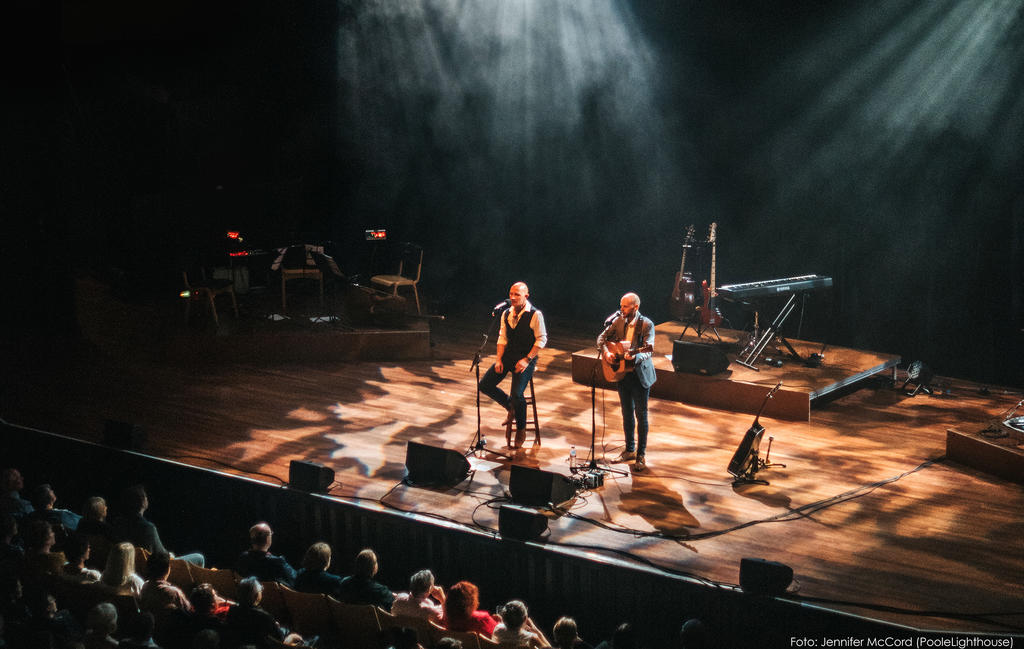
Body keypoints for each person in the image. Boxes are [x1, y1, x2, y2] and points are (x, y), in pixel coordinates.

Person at [478, 281, 548, 449]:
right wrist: (499, 359)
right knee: (485, 385)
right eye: (511, 294)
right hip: (509, 355)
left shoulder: (535, 314)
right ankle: (511, 407)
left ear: (526, 296)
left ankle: (521, 429)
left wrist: (527, 359)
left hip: (525, 358)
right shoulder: (506, 313)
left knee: (517, 394)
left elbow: (542, 339)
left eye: (517, 294)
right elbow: (502, 339)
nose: (513, 297)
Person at [597, 292, 656, 473]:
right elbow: (601, 339)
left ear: (635, 307)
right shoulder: (617, 321)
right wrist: (607, 352)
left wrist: (634, 356)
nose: (621, 309)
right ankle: (629, 450)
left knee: (641, 414)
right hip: (622, 374)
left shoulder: (646, 324)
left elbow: (648, 350)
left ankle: (641, 454)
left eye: (625, 306)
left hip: (639, 375)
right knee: (626, 413)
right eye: (621, 305)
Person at [112, 485, 204, 567]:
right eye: (146, 497)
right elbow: (162, 554)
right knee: (199, 557)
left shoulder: (118, 522)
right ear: (143, 501)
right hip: (153, 569)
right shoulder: (147, 528)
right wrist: (170, 555)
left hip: (128, 566)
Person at [235, 523, 296, 587]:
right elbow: (295, 580)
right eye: (271, 533)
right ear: (267, 538)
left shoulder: (243, 558)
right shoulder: (277, 562)